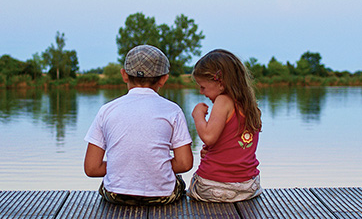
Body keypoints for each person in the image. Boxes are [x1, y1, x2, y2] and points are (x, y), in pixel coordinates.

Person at [84, 45, 193, 206]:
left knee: (109, 183)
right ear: (163, 79)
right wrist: (154, 167)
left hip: (116, 194)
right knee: (178, 182)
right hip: (161, 196)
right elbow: (184, 164)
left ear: (124, 75)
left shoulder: (106, 110)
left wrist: (122, 168)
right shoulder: (173, 111)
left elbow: (91, 168)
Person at [187, 49, 262, 202]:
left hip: (213, 187)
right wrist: (214, 152)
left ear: (220, 83)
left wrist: (198, 116)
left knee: (188, 186)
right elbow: (236, 148)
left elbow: (208, 137)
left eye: (203, 86)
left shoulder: (223, 101)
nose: (201, 92)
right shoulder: (250, 107)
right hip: (249, 186)